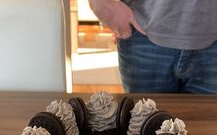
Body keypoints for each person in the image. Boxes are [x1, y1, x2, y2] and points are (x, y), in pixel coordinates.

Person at [88, 0, 217, 93]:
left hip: (213, 39)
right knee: (142, 125)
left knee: (207, 129)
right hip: (142, 30)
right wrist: (100, 4)